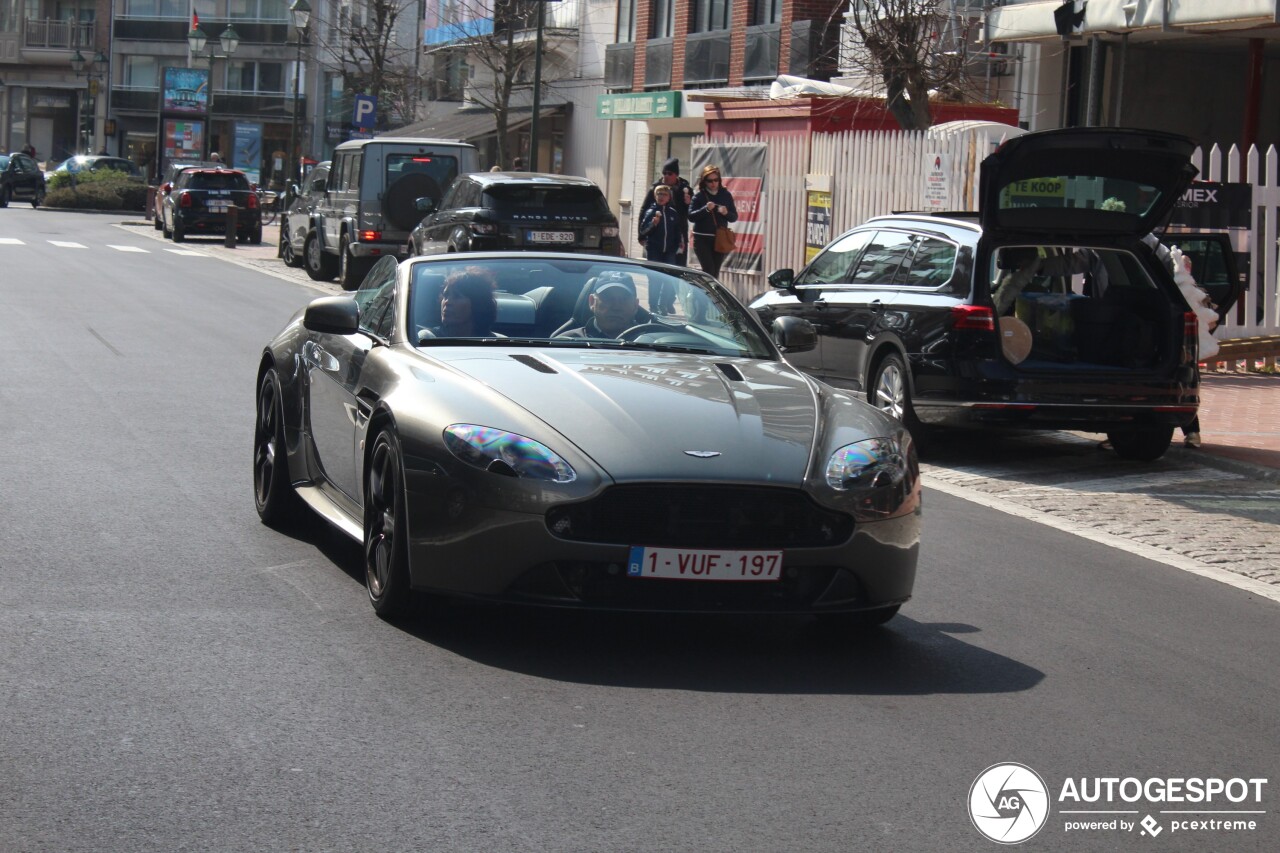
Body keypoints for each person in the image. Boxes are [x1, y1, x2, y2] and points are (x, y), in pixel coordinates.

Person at [556, 272, 652, 339]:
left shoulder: (652, 342)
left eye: (624, 299)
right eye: (608, 298)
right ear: (592, 302)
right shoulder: (568, 343)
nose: (616, 307)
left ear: (635, 305)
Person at [639, 158, 692, 271]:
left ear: (676, 175)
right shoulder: (656, 188)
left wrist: (688, 204)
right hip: (656, 240)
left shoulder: (684, 189)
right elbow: (644, 210)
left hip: (677, 237)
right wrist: (641, 236)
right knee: (656, 273)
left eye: (669, 173)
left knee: (676, 271)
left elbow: (691, 214)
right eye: (664, 173)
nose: (666, 176)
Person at [688, 165, 737, 279]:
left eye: (716, 180)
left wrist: (726, 213)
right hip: (702, 239)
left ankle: (708, 295)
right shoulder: (699, 196)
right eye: (710, 181)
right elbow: (691, 216)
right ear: (704, 181)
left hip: (719, 239)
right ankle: (703, 294)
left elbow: (734, 217)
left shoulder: (725, 195)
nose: (713, 183)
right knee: (708, 270)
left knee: (715, 273)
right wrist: (705, 209)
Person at [638, 185, 683, 310]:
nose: (661, 197)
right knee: (654, 279)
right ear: (655, 196)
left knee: (669, 279)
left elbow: (677, 231)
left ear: (669, 197)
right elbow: (643, 231)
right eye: (659, 194)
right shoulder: (651, 211)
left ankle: (662, 304)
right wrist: (653, 224)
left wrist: (677, 244)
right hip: (654, 250)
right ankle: (653, 306)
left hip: (669, 251)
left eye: (664, 194)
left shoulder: (672, 213)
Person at [430, 267, 499, 338]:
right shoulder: (427, 339)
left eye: (457, 296)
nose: (447, 302)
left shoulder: (499, 343)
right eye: (445, 295)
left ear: (478, 303)